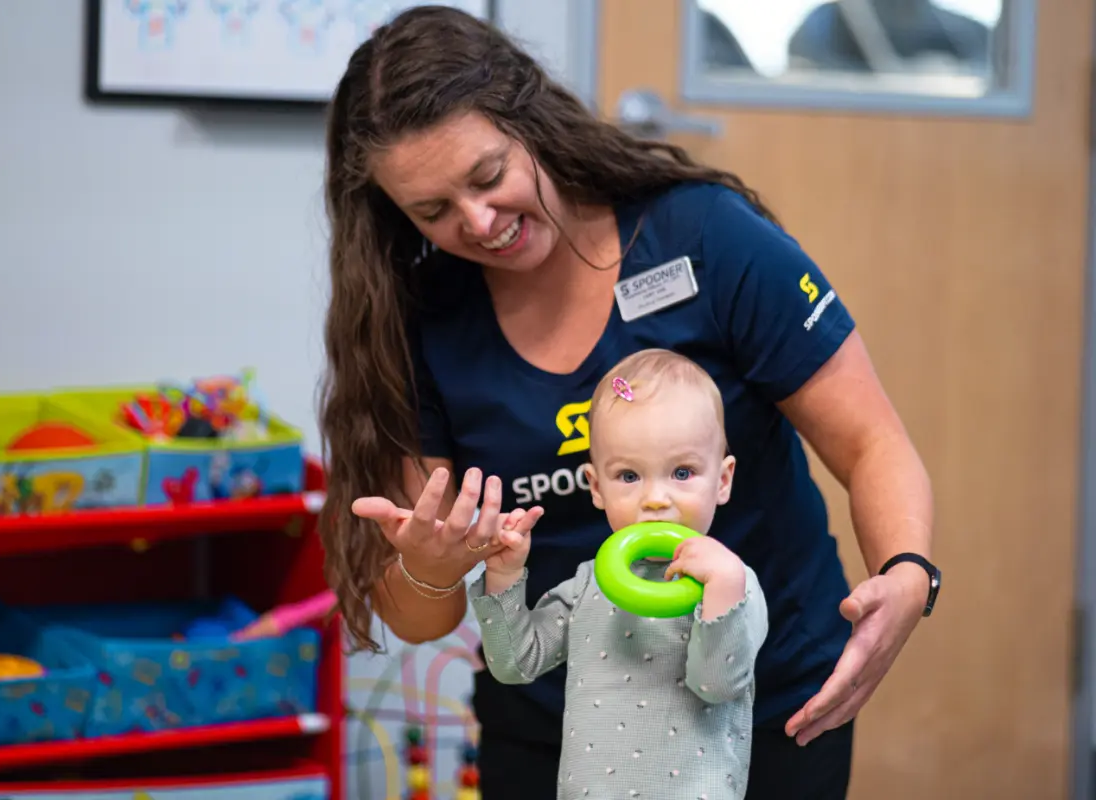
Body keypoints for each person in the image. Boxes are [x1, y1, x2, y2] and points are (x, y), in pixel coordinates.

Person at [316, 6, 940, 799]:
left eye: (487, 176)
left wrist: (908, 572)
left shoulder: (705, 237)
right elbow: (420, 616)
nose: (478, 222)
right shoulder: (417, 321)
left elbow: (871, 442)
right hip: (565, 737)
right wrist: (431, 568)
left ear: (531, 121)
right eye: (432, 212)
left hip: (765, 707)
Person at [470, 349, 769, 799]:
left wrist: (722, 591)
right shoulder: (589, 584)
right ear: (596, 486)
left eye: (682, 472)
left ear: (722, 480)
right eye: (629, 476)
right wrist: (505, 575)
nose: (654, 499)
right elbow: (516, 663)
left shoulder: (734, 584)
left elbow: (717, 684)